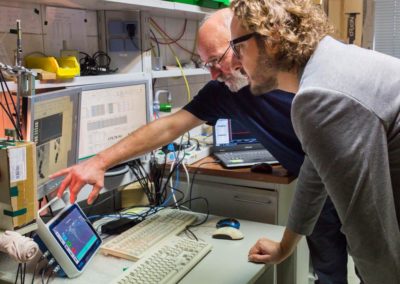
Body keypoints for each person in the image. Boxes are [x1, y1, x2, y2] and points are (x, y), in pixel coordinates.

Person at [53, 9, 347, 283]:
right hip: (317, 193)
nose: (214, 73)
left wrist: (285, 244)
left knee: (377, 266)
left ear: (244, 45)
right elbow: (169, 125)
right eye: (208, 64)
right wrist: (100, 161)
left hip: (356, 183)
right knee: (329, 272)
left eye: (217, 60)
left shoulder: (300, 78)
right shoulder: (226, 90)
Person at [229, 0, 400, 283]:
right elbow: (316, 167)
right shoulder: (330, 62)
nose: (234, 61)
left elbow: (371, 236)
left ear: (271, 37)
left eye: (238, 47)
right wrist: (286, 245)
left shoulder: (319, 95)